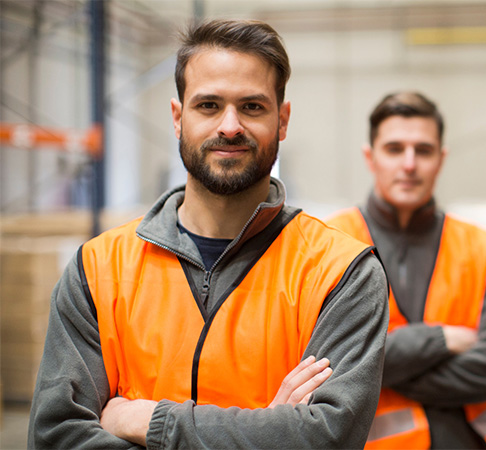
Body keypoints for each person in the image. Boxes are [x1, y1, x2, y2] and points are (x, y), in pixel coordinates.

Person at [28, 19, 389, 449]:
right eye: (209, 106)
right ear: (178, 118)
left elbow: (327, 437)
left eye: (252, 106)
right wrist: (269, 431)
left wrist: (151, 422)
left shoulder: (342, 273)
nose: (230, 126)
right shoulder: (98, 269)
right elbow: (55, 436)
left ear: (283, 119)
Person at [326, 91, 486, 450]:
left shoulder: (482, 248)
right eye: (394, 149)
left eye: (423, 150)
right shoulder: (329, 244)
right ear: (370, 157)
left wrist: (373, 368)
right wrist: (440, 340)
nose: (409, 164)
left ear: (441, 158)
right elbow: (327, 362)